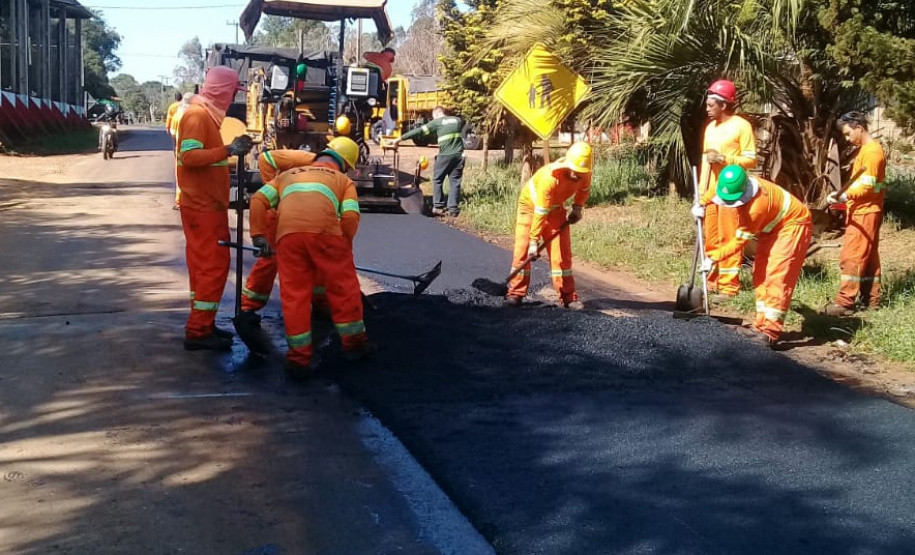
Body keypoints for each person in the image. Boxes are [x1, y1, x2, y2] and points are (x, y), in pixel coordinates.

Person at [249, 137, 374, 378]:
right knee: (343, 288)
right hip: (327, 235)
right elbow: (349, 219)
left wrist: (258, 236)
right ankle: (355, 346)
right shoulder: (343, 180)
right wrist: (342, 249)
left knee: (294, 295)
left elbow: (257, 200)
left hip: (287, 237)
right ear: (344, 165)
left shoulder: (287, 175)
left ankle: (298, 359)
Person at [176, 66, 253, 351]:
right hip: (202, 207)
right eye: (233, 90)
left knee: (204, 267)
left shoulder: (206, 117)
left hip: (207, 205)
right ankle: (198, 331)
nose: (234, 96)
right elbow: (189, 156)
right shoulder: (197, 117)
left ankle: (203, 323)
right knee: (212, 266)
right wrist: (229, 150)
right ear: (223, 89)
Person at [694, 165, 812, 346]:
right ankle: (760, 325)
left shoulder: (755, 208)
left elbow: (737, 243)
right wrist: (700, 204)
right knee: (760, 273)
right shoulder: (730, 183)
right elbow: (713, 192)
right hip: (771, 227)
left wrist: (712, 258)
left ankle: (770, 332)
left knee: (776, 276)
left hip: (792, 225)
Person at [504, 142, 593, 310]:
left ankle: (568, 297)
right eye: (574, 170)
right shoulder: (550, 177)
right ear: (567, 164)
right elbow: (540, 211)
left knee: (562, 255)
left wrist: (577, 208)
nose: (577, 174)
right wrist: (533, 242)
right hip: (530, 208)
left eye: (581, 172)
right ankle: (515, 293)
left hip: (556, 209)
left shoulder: (585, 174)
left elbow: (584, 190)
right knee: (522, 251)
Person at [236, 148, 320, 325]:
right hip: (277, 212)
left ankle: (320, 304)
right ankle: (248, 306)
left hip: (296, 213)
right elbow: (265, 158)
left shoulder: (325, 173)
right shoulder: (305, 159)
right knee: (270, 258)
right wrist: (274, 188)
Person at [696, 79, 757, 301]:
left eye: (711, 104)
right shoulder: (710, 128)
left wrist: (724, 158)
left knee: (728, 237)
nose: (707, 108)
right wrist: (701, 196)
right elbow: (705, 166)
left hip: (731, 192)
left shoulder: (741, 126)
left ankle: (729, 287)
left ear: (723, 104)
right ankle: (711, 281)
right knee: (711, 239)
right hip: (711, 193)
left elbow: (751, 160)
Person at [822, 111, 887, 316]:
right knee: (868, 257)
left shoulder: (872, 153)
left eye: (849, 134)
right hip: (866, 210)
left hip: (864, 212)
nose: (848, 139)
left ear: (859, 127)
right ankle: (872, 299)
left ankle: (844, 302)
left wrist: (844, 196)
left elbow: (866, 187)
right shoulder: (866, 150)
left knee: (852, 256)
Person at [393, 106, 465, 216]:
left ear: (436, 115)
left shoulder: (436, 123)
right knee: (455, 182)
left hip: (445, 156)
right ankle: (453, 209)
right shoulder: (457, 120)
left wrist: (400, 139)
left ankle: (438, 206)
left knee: (437, 179)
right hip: (459, 156)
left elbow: (418, 131)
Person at [171, 92, 194, 210]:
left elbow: (173, 134)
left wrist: (175, 147)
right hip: (196, 150)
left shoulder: (177, 115)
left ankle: (180, 201)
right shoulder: (197, 115)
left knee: (180, 176)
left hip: (181, 151)